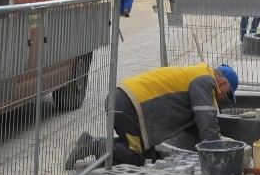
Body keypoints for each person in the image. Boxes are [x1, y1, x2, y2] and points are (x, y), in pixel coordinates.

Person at [64, 63, 239, 169]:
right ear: (222, 83)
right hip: (128, 105)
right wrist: (217, 148)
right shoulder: (205, 81)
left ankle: (99, 145)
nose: (224, 98)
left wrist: (217, 139)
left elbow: (196, 126)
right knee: (138, 158)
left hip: (125, 101)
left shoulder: (198, 75)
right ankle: (94, 146)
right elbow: (206, 121)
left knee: (150, 156)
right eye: (227, 94)